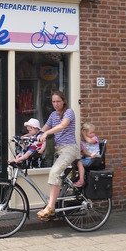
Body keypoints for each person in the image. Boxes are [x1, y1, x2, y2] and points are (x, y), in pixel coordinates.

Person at [36, 91, 79, 221]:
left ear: (63, 101)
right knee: (57, 177)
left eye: (58, 101)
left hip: (69, 149)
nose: (56, 104)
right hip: (58, 150)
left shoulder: (69, 112)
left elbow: (62, 126)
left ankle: (50, 207)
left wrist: (46, 134)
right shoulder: (53, 115)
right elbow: (43, 129)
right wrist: (30, 136)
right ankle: (55, 204)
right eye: (53, 102)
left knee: (54, 173)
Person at [73, 122, 101, 187]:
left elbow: (89, 141)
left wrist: (84, 134)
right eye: (91, 133)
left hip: (94, 159)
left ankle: (81, 181)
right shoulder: (83, 142)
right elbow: (84, 152)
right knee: (75, 162)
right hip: (88, 158)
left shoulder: (95, 138)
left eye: (93, 132)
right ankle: (75, 178)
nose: (93, 134)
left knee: (80, 163)